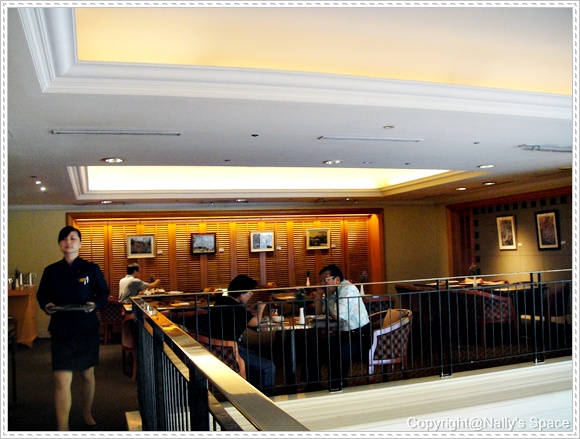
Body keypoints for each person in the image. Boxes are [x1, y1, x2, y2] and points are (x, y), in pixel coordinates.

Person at [36, 226, 110, 431]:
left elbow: (103, 293)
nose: (68, 242)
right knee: (61, 379)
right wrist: (47, 305)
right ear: (59, 244)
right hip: (61, 328)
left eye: (73, 238)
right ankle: (63, 428)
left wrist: (94, 304)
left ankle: (87, 412)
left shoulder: (91, 269)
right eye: (64, 239)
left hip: (86, 328)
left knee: (87, 374)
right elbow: (42, 295)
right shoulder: (51, 270)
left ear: (80, 243)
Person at [209, 274, 276, 394]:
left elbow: (236, 315)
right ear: (241, 293)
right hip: (231, 350)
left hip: (218, 347)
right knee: (268, 366)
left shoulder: (223, 301)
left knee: (254, 355)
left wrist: (248, 310)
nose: (251, 295)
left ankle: (253, 391)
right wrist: (261, 308)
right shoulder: (236, 307)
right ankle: (266, 397)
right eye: (249, 293)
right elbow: (254, 323)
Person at [308, 264, 370, 391]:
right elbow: (320, 313)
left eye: (325, 280)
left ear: (336, 279)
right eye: (321, 281)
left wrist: (329, 305)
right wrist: (319, 295)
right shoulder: (331, 292)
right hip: (344, 333)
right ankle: (314, 385)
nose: (322, 284)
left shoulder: (347, 289)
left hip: (359, 334)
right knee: (314, 346)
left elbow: (338, 316)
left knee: (337, 352)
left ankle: (338, 386)